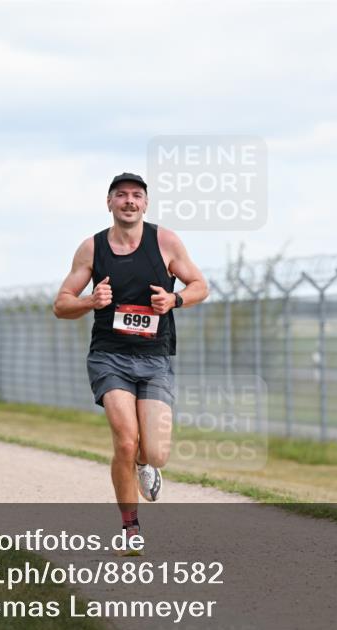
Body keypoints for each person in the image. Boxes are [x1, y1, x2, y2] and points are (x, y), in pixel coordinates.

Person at [53, 172, 208, 552]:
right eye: (121, 196)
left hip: (155, 357)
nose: (129, 201)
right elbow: (61, 305)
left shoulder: (166, 241)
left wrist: (175, 301)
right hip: (110, 356)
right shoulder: (92, 248)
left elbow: (200, 285)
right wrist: (91, 301)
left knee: (154, 452)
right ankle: (130, 529)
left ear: (145, 204)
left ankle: (145, 463)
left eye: (136, 196)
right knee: (125, 441)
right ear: (109, 203)